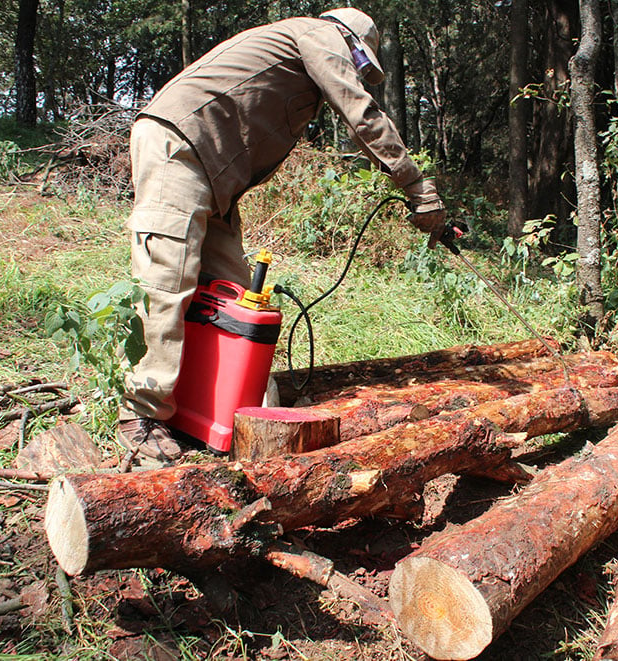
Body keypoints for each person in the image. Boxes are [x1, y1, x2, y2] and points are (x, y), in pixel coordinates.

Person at [117, 8, 447, 461]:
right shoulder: (318, 33)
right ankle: (141, 419)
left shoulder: (299, 55)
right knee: (166, 281)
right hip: (182, 148)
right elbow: (360, 112)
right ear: (349, 42)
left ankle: (231, 416)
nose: (357, 71)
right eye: (358, 62)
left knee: (233, 299)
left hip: (213, 177)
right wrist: (415, 185)